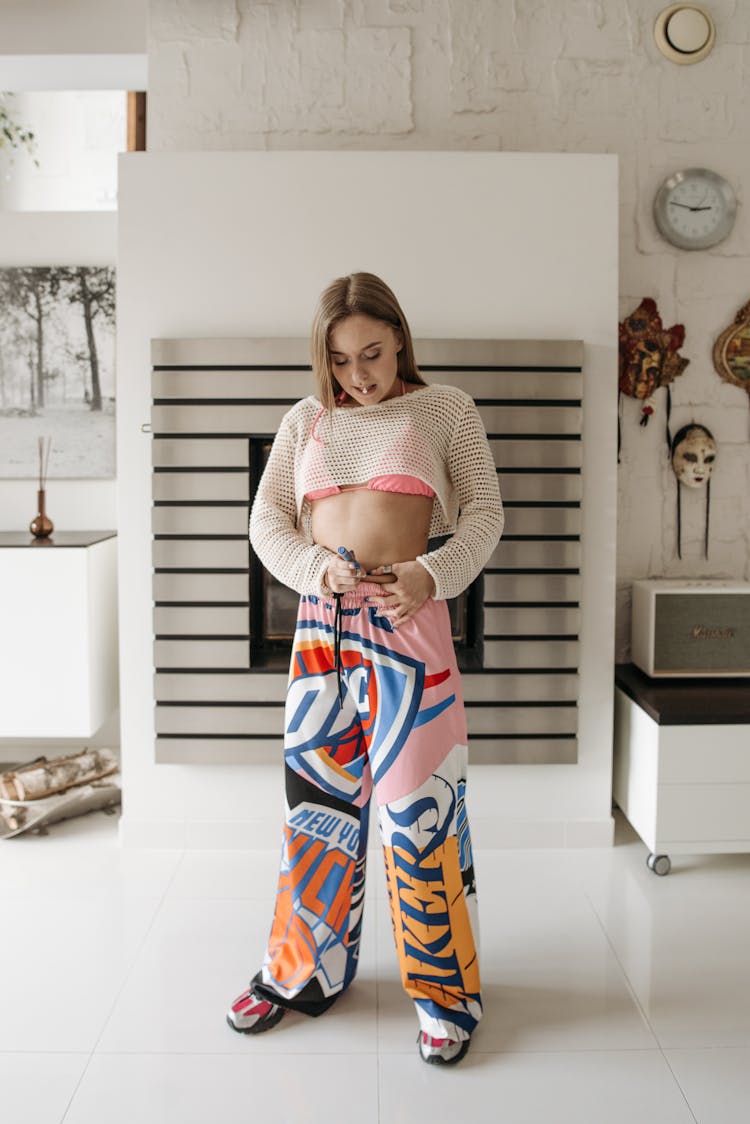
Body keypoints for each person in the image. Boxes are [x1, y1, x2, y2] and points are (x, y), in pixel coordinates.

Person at [226, 272, 504, 1066]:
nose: (359, 375)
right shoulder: (305, 419)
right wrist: (315, 570)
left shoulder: (444, 408)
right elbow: (266, 521)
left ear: (400, 338)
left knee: (422, 813)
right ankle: (299, 975)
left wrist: (433, 575)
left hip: (408, 625)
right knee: (314, 815)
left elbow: (485, 512)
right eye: (341, 360)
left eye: (373, 354)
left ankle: (445, 996)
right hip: (322, 632)